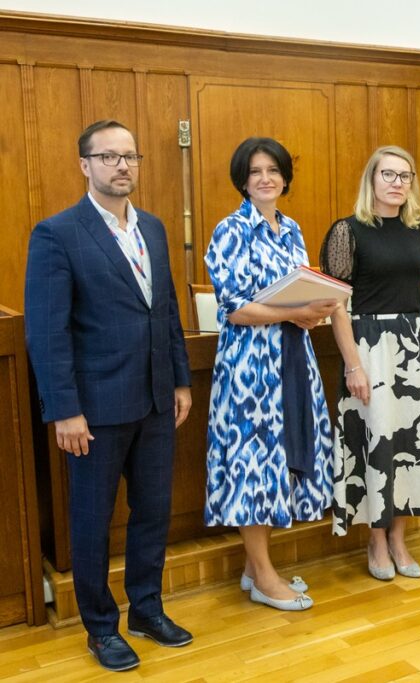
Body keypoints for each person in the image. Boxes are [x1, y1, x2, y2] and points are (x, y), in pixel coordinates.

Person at [25, 120, 193, 672]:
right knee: (93, 522)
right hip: (93, 410)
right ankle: (101, 627)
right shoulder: (58, 233)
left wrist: (180, 379)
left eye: (130, 156)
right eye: (109, 157)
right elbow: (47, 332)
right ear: (85, 166)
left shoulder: (154, 228)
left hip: (154, 400)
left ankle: (146, 608)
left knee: (152, 513)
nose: (123, 166)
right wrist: (64, 409)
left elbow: (164, 310)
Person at [204, 137, 335, 611]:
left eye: (273, 170)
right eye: (255, 171)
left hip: (293, 357)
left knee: (280, 460)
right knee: (252, 466)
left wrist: (311, 309)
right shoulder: (229, 230)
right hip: (249, 368)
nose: (265, 178)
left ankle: (253, 566)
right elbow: (234, 308)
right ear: (243, 179)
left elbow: (295, 291)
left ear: (284, 177)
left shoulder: (292, 229)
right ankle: (263, 576)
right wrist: (292, 313)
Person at [321, 145, 420, 580]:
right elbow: (337, 306)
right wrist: (353, 365)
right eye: (388, 174)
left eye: (405, 175)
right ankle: (375, 539)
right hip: (369, 349)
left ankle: (399, 537)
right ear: (371, 179)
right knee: (374, 443)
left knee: (410, 446)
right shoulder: (348, 231)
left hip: (415, 347)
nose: (397, 183)